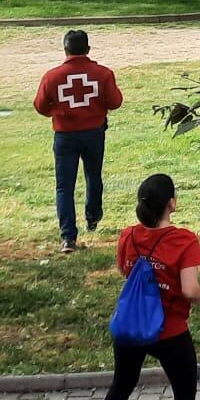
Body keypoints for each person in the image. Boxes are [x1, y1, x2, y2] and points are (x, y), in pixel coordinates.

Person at [79, 174, 200, 400]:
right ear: (172, 204)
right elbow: (190, 289)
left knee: (121, 385)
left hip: (130, 327)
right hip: (169, 330)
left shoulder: (128, 235)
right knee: (184, 391)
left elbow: (124, 269)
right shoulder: (184, 240)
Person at [33, 30, 124, 254]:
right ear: (88, 49)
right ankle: (92, 217)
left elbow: (40, 106)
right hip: (94, 133)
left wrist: (58, 111)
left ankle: (68, 237)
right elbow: (115, 102)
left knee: (64, 186)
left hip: (65, 136)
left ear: (65, 50)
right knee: (93, 176)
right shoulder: (103, 74)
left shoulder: (52, 77)